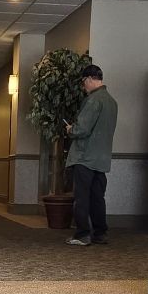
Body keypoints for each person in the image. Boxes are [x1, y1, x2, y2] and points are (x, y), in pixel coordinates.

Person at [63, 63, 118, 246]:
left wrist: (71, 129)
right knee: (97, 198)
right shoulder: (112, 102)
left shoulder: (93, 100)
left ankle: (82, 234)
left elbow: (82, 129)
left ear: (88, 79)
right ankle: (100, 233)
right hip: (102, 158)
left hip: (85, 157)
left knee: (82, 198)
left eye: (83, 82)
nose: (83, 86)